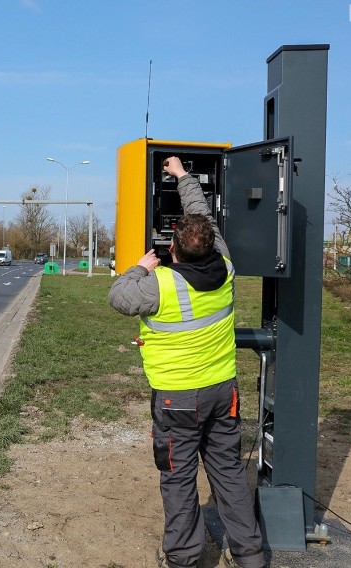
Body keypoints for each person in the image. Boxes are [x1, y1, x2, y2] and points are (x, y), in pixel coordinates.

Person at [108, 156, 266, 568]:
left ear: (172, 248)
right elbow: (202, 216)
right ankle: (250, 555)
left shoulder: (156, 285)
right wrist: (184, 177)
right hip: (222, 393)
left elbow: (117, 296)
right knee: (229, 473)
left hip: (177, 400)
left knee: (178, 480)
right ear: (211, 245)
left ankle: (182, 558)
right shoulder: (227, 268)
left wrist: (138, 268)